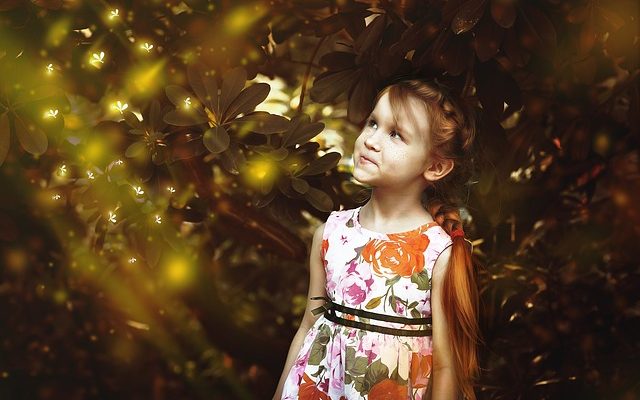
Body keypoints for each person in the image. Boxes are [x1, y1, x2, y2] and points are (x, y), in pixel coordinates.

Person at [273, 79, 482, 400]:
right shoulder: (330, 233)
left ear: (435, 166)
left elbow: (445, 366)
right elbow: (307, 328)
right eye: (372, 123)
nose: (370, 140)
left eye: (395, 133)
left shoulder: (439, 253)